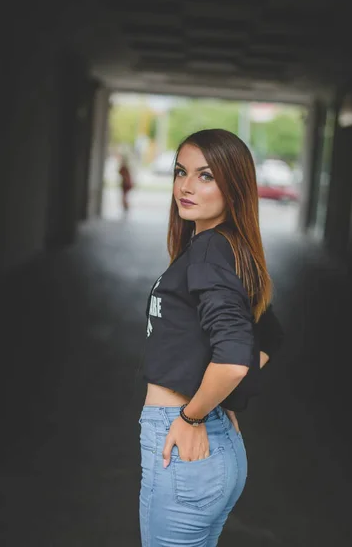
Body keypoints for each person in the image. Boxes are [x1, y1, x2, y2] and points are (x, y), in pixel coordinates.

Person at [139, 129, 283, 546]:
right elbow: (269, 335)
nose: (185, 186)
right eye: (181, 172)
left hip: (183, 441)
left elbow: (236, 356)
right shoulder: (230, 249)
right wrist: (217, 400)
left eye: (206, 176)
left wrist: (195, 414)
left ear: (234, 187)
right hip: (215, 451)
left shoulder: (208, 251)